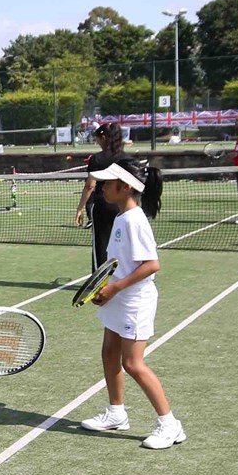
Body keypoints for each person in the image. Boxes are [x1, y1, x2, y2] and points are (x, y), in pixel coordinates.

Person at [78, 161, 184, 450]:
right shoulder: (121, 218)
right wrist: (106, 289)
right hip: (119, 297)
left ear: (124, 187)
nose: (101, 187)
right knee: (109, 352)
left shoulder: (135, 220)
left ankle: (170, 425)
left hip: (135, 300)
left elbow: (151, 264)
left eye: (106, 183)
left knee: (133, 363)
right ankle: (116, 413)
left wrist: (115, 288)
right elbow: (120, 265)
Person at [76, 122, 133, 267]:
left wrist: (80, 208)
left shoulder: (97, 159)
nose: (97, 142)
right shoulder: (128, 158)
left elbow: (90, 186)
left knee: (101, 245)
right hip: (123, 207)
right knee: (123, 243)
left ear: (103, 137)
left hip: (102, 206)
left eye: (98, 139)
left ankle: (100, 280)